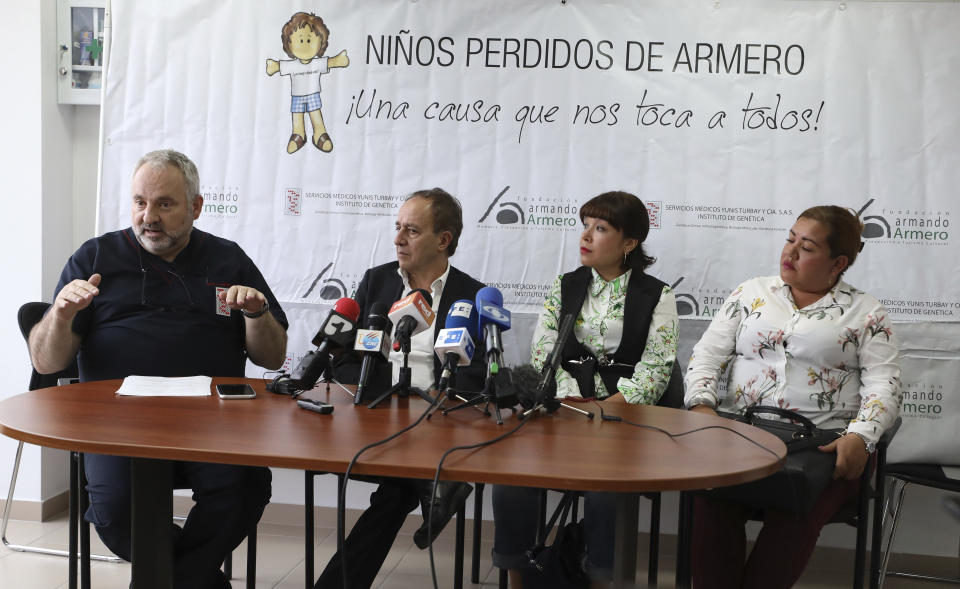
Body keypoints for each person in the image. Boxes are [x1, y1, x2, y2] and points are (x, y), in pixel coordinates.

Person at [28, 149, 288, 589]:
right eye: (139, 202)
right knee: (114, 510)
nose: (149, 216)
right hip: (117, 424)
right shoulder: (95, 257)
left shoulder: (228, 260)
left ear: (196, 207)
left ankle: (169, 580)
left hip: (214, 423)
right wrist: (61, 313)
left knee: (245, 489)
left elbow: (272, 358)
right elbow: (45, 361)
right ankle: (198, 580)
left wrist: (257, 315)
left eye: (165, 204)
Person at [684, 205, 901, 589]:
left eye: (807, 247)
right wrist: (702, 406)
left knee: (797, 506)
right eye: (790, 240)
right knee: (712, 498)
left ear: (838, 263)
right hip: (744, 436)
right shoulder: (751, 293)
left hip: (824, 445)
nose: (791, 253)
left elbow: (884, 383)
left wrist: (861, 437)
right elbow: (707, 356)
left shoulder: (866, 312)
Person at [492, 191, 679, 588]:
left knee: (605, 492)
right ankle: (518, 579)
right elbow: (544, 352)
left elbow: (658, 368)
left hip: (623, 421)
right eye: (585, 226)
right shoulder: (565, 286)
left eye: (601, 228)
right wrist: (570, 401)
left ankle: (599, 579)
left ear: (629, 243)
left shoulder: (656, 295)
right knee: (512, 479)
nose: (587, 236)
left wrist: (609, 407)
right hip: (563, 413)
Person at [317, 188, 485, 589]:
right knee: (401, 483)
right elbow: (343, 357)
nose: (398, 239)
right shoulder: (376, 282)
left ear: (443, 240)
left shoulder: (471, 295)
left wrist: (435, 398)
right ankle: (436, 486)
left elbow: (477, 375)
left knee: (393, 491)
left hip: (437, 419)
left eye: (411, 230)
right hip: (376, 414)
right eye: (398, 228)